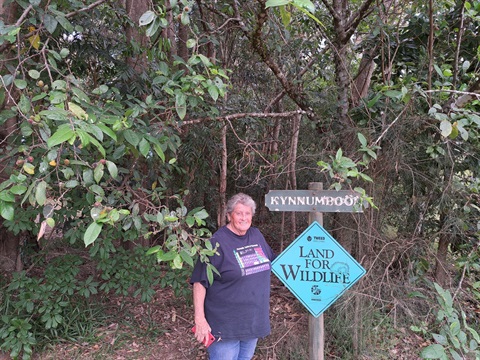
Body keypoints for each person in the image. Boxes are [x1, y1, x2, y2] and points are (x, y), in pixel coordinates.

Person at [190, 193, 275, 360]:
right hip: (225, 325)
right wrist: (199, 319)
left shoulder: (256, 235)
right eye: (239, 213)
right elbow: (200, 281)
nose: (244, 218)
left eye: (247, 213)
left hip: (252, 321)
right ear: (229, 215)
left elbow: (274, 261)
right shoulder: (216, 242)